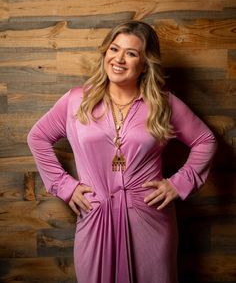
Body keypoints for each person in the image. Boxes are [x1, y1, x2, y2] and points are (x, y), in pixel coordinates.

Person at [27, 20, 217, 283]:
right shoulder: (76, 100)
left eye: (131, 53)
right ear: (105, 52)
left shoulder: (163, 104)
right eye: (114, 49)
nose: (119, 59)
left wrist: (178, 183)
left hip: (149, 219)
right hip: (95, 217)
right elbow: (37, 137)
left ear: (144, 64)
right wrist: (64, 186)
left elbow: (205, 140)